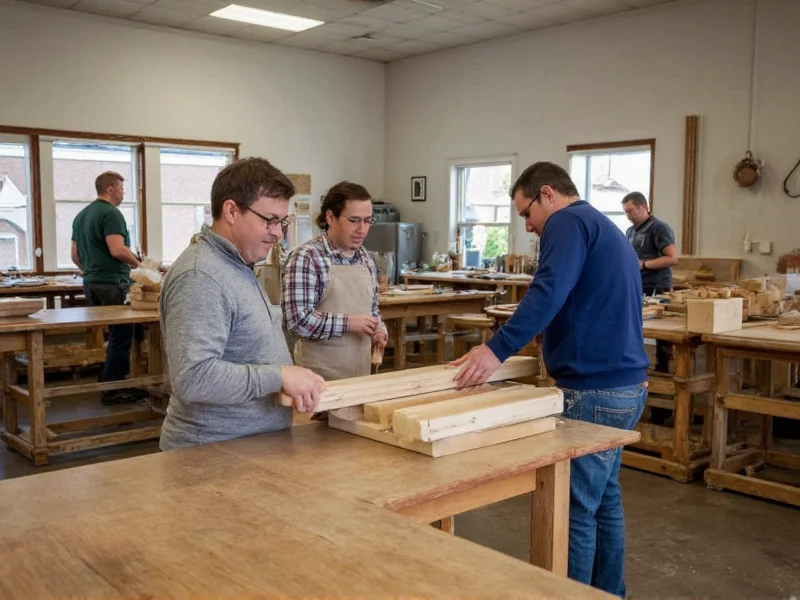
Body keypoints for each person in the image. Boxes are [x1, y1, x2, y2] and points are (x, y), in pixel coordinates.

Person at [450, 162, 650, 597]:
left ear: (547, 194)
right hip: (626, 385)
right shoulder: (602, 225)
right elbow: (575, 297)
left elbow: (547, 290)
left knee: (574, 509)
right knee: (604, 501)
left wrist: (495, 349)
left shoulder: (566, 221)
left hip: (593, 390)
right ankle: (610, 593)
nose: (528, 226)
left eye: (527, 213)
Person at [159, 157, 324, 451]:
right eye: (269, 220)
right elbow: (194, 377)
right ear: (232, 211)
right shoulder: (201, 276)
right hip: (212, 453)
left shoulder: (237, 264)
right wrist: (279, 375)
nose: (278, 233)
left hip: (250, 445)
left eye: (282, 222)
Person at [282, 181, 387, 384]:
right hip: (317, 380)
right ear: (330, 217)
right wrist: (348, 323)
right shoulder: (307, 257)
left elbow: (372, 309)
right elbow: (298, 322)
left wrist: (378, 329)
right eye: (354, 220)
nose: (362, 229)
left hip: (360, 374)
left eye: (368, 221)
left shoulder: (365, 258)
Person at [71, 171, 144, 405]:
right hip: (113, 283)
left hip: (91, 283)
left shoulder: (81, 216)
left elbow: (75, 256)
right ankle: (114, 389)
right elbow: (117, 249)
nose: (123, 193)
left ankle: (107, 381)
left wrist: (91, 270)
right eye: (121, 188)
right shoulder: (111, 213)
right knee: (122, 336)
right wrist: (141, 266)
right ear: (110, 189)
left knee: (113, 335)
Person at [623, 191, 678, 423]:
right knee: (636, 334)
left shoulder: (659, 228)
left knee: (662, 341)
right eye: (625, 212)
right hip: (637, 287)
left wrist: (643, 264)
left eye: (630, 211)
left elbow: (672, 258)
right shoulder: (630, 231)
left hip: (656, 288)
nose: (628, 215)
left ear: (643, 207)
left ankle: (663, 406)